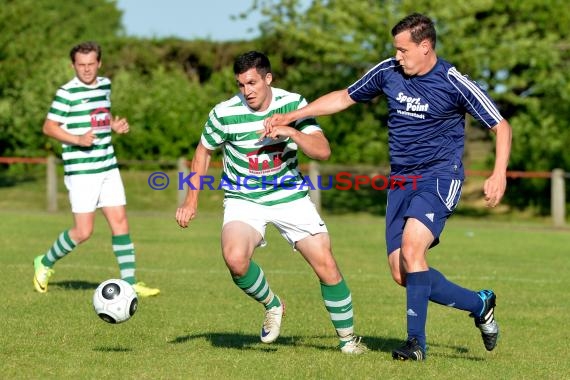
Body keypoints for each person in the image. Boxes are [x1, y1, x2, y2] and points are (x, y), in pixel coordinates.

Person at [264, 13, 512, 360]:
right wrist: (291, 117)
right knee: (402, 272)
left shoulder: (453, 81)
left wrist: (498, 172)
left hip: (440, 177)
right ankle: (479, 303)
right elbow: (343, 97)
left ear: (425, 47)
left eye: (403, 49)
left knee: (413, 251)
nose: (398, 56)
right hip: (400, 181)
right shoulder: (388, 72)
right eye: (395, 49)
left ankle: (415, 343)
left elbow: (500, 125)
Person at [175, 51, 367, 354]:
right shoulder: (223, 113)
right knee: (236, 259)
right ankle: (273, 305)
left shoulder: (292, 104)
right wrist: (191, 199)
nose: (246, 91)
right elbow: (203, 150)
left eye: (252, 83)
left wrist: (289, 130)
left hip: (290, 197)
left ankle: (348, 341)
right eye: (240, 85)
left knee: (326, 265)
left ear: (268, 78)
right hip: (243, 198)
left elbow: (322, 151)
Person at [33, 41, 159, 297]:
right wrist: (78, 139)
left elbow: (101, 115)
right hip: (81, 171)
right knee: (83, 231)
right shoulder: (66, 93)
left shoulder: (105, 85)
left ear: (99, 63)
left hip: (108, 165)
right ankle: (44, 262)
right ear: (73, 65)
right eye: (81, 65)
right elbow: (49, 127)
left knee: (120, 222)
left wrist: (114, 125)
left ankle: (130, 283)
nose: (87, 69)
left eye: (91, 64)